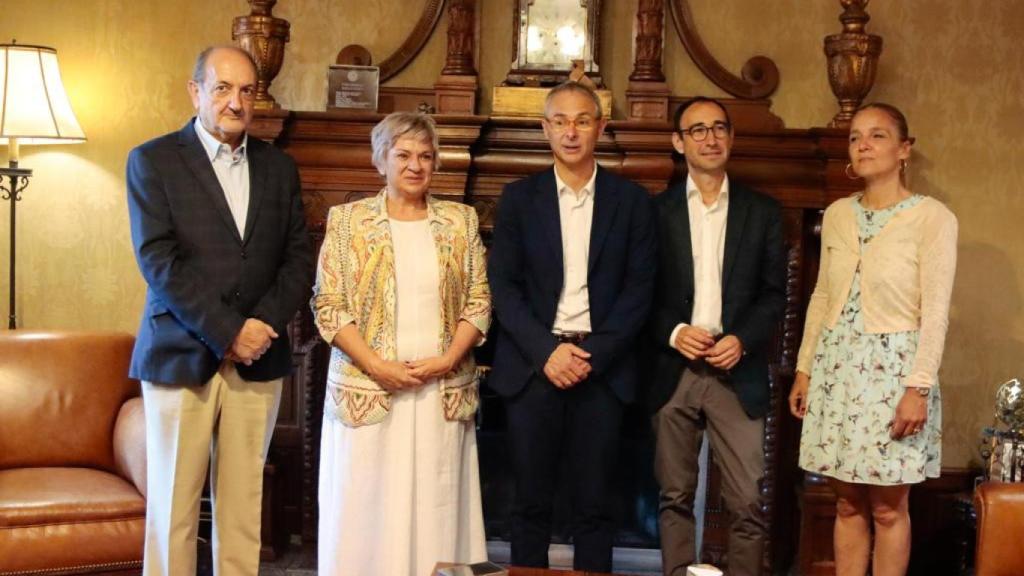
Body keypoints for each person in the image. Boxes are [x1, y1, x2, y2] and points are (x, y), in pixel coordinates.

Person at [126, 45, 313, 575]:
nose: (236, 102)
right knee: (174, 512)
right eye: (223, 88)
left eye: (246, 91)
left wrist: (261, 328)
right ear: (196, 92)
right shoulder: (153, 160)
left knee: (242, 511)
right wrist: (229, 332)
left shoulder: (279, 168)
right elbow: (158, 261)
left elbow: (299, 261)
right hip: (180, 354)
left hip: (259, 359)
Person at [311, 112, 491, 576]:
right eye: (404, 155)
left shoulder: (460, 220)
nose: (415, 166)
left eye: (426, 156)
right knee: (367, 504)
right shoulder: (347, 221)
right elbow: (328, 305)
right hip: (368, 391)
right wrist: (376, 365)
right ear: (381, 160)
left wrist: (448, 359)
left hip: (441, 389)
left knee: (437, 503)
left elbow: (479, 300)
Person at [487, 81, 657, 572]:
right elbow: (505, 287)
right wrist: (547, 352)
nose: (571, 131)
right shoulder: (519, 199)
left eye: (583, 120)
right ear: (545, 129)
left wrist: (591, 356)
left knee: (596, 508)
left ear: (601, 127)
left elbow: (638, 293)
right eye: (560, 120)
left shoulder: (632, 202)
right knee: (528, 506)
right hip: (532, 368)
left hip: (601, 372)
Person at [788, 103, 957, 576]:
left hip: (896, 376)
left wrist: (917, 388)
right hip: (837, 370)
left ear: (904, 149)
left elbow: (936, 310)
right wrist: (805, 368)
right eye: (856, 137)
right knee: (846, 505)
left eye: (877, 135)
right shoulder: (839, 214)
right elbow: (822, 296)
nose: (863, 144)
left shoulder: (933, 218)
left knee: (888, 508)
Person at [647, 96, 786, 576]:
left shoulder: (763, 212)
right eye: (698, 129)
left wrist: (742, 339)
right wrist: (673, 331)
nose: (710, 137)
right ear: (678, 141)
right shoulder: (654, 212)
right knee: (674, 496)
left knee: (748, 499)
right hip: (674, 371)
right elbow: (638, 293)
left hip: (736, 372)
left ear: (731, 136)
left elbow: (774, 294)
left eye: (719, 128)